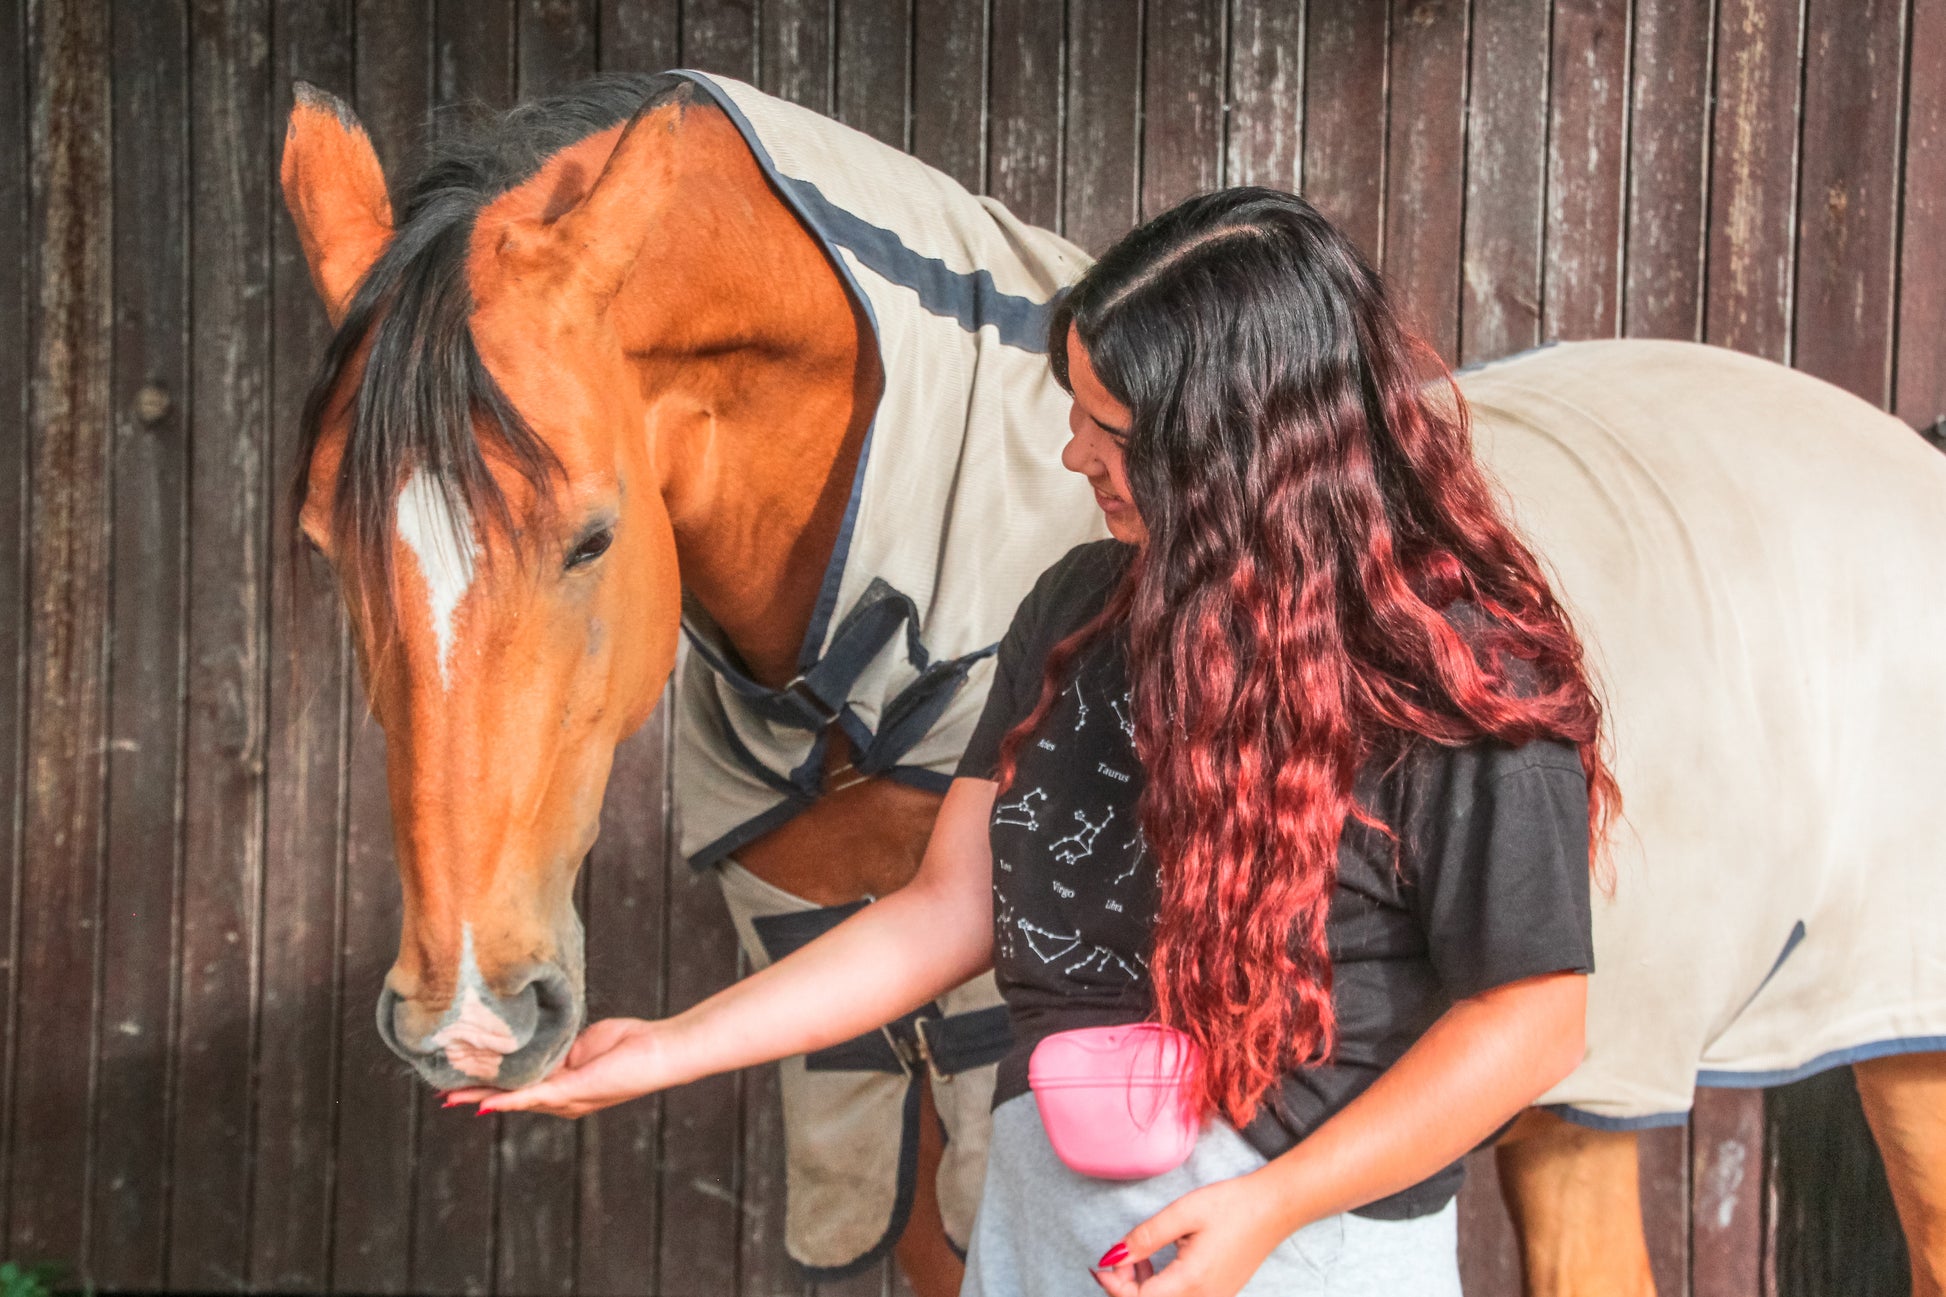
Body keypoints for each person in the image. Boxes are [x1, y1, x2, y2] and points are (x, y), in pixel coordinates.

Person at [448, 188, 1617, 1296]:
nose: (1072, 456)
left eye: (1105, 429)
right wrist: (667, 1048)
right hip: (1043, 1224)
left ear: (1232, 454)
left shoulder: (1459, 680)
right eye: (1073, 411)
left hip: (1297, 1245)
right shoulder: (1078, 608)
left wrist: (1271, 1205)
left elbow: (1529, 1021)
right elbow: (948, 907)